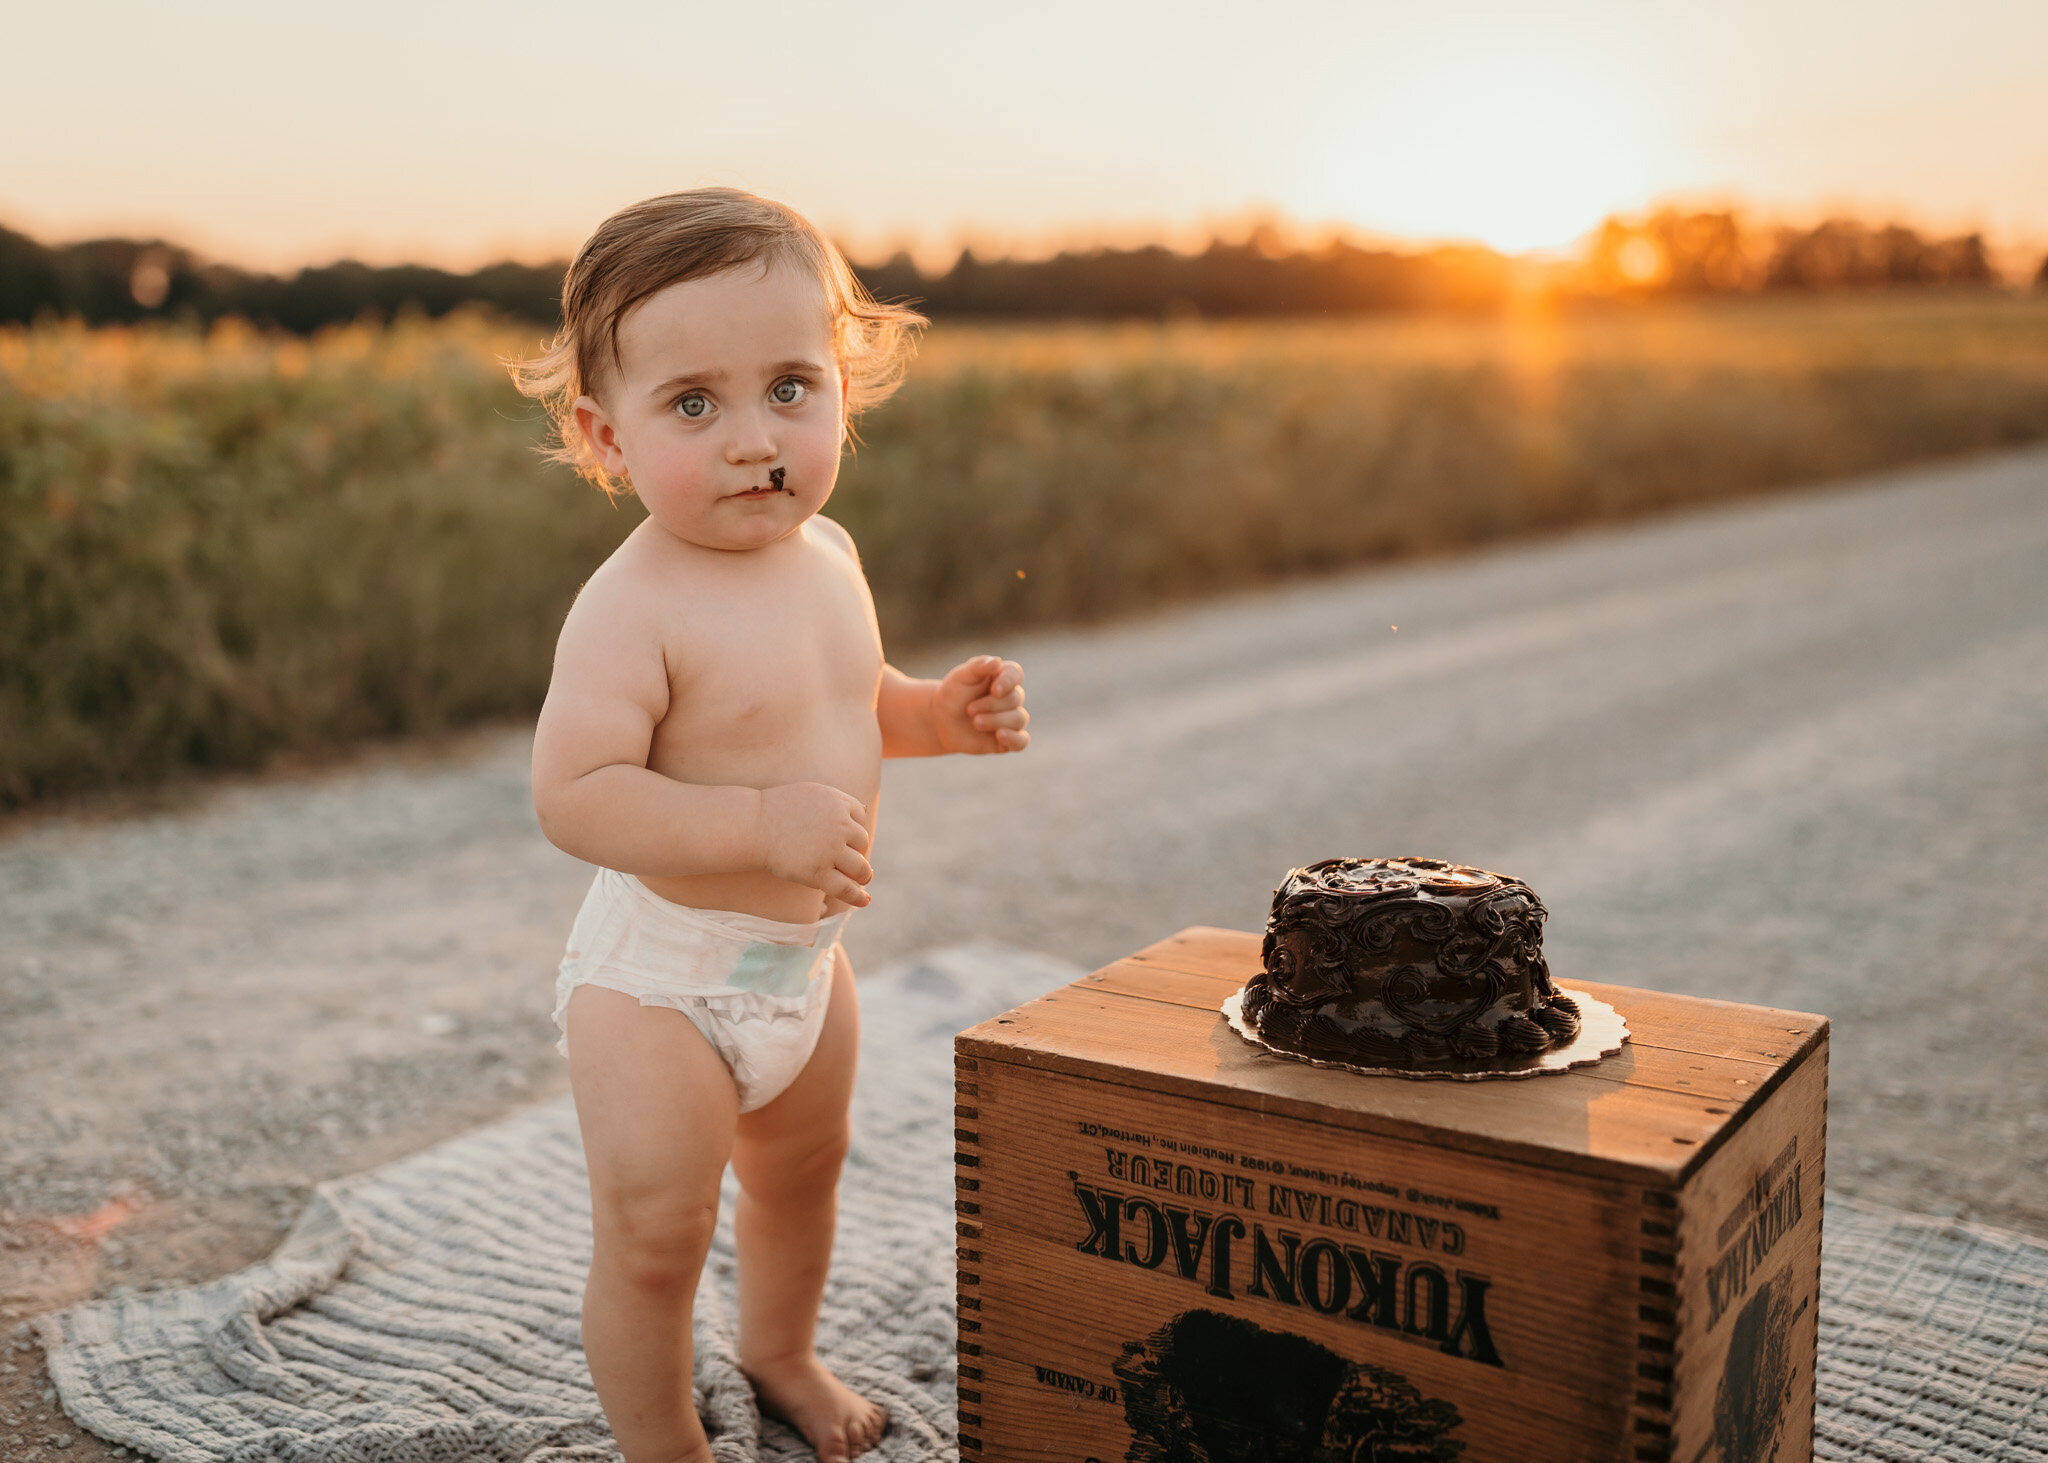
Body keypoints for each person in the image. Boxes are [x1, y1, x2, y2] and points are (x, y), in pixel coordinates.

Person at [514, 189, 1029, 1463]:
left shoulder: (829, 553)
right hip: (663, 985)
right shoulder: (631, 604)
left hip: (802, 969)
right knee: (655, 1233)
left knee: (802, 1174)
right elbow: (573, 793)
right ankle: (666, 1447)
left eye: (790, 387)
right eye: (694, 404)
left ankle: (780, 1347)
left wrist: (933, 717)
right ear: (605, 434)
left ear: (843, 393)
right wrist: (757, 824)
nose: (755, 438)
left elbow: (843, 708)